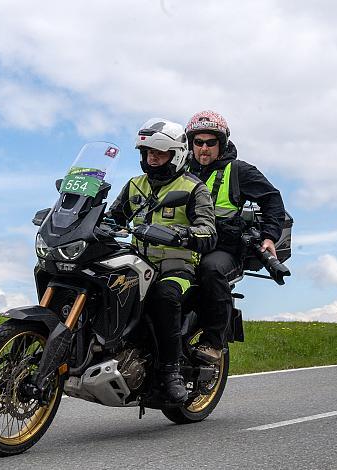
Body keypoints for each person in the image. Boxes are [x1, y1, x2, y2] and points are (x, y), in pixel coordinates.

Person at [109, 118, 216, 403]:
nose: (152, 158)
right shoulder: (134, 185)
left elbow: (208, 230)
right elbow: (112, 218)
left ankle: (172, 371)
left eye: (159, 153)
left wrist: (181, 235)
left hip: (177, 269)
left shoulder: (194, 189)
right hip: (136, 264)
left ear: (177, 154)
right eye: (147, 153)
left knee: (164, 296)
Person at [185, 110, 285, 363]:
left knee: (212, 270)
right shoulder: (180, 169)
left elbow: (272, 198)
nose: (204, 149)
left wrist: (269, 236)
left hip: (223, 248)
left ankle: (214, 343)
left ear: (222, 143)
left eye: (210, 142)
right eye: (198, 142)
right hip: (184, 244)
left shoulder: (238, 171)